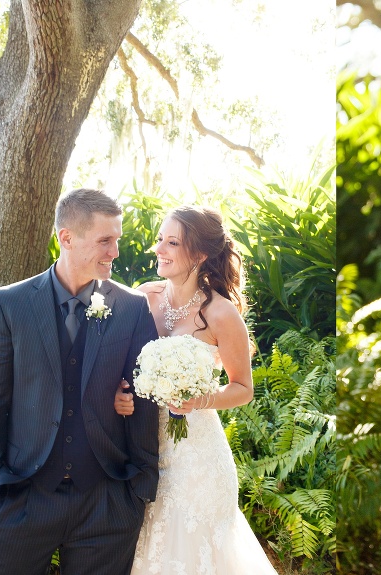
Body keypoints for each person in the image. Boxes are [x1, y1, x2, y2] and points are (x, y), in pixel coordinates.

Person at [0, 188, 160, 574]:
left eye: (116, 240)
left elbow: (145, 396)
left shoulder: (132, 308)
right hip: (21, 501)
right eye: (106, 241)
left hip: (106, 505)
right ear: (66, 238)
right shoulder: (11, 304)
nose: (115, 252)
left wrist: (138, 488)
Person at [113, 205, 278, 575]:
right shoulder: (142, 298)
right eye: (160, 240)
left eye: (172, 242)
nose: (159, 249)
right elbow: (120, 368)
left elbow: (243, 388)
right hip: (142, 448)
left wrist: (200, 400)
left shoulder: (221, 314)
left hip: (197, 460)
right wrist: (122, 393)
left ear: (200, 254)